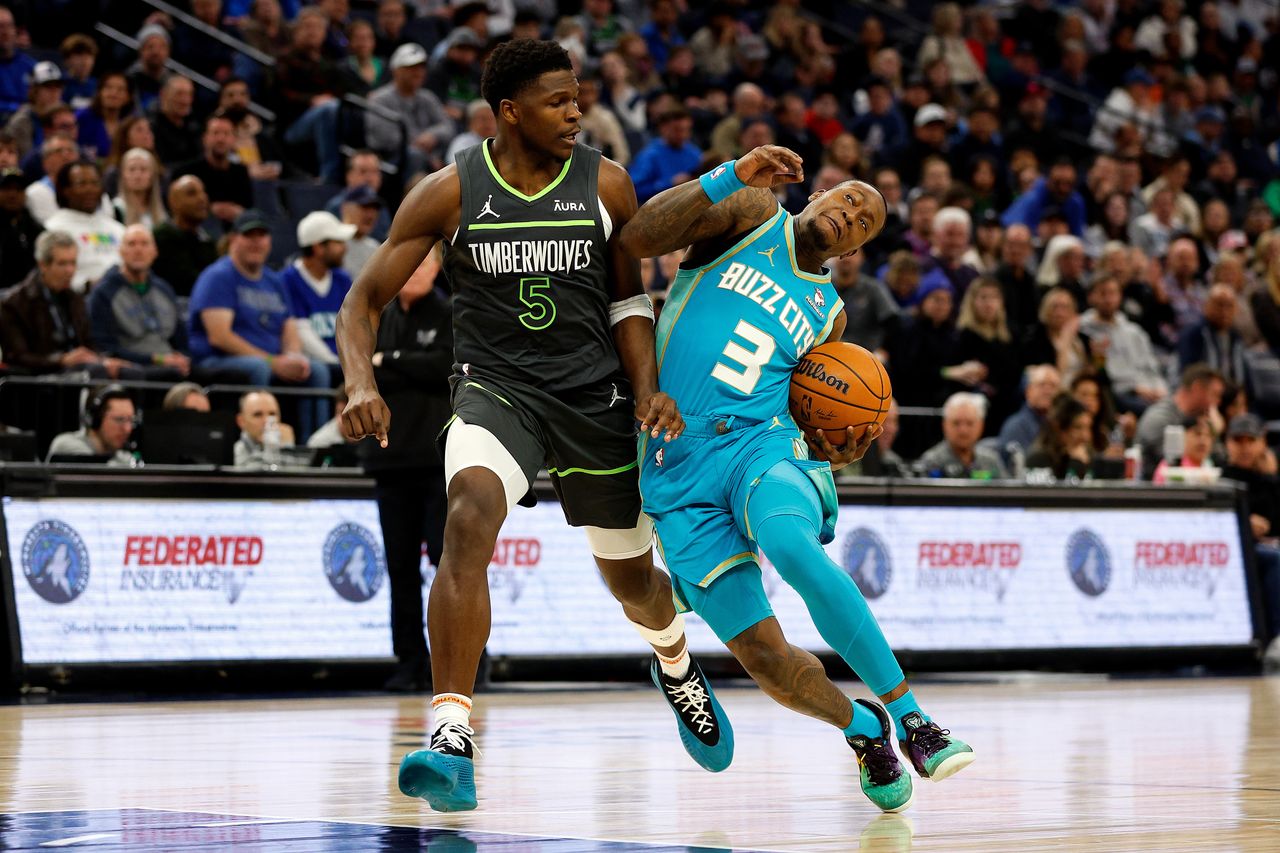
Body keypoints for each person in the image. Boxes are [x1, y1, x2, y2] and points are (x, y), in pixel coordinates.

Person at [335, 40, 731, 812]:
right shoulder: (448, 193)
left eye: (578, 97)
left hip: (594, 399)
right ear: (509, 110)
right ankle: (451, 734)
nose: (577, 111)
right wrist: (359, 378)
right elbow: (362, 301)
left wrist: (648, 389)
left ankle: (676, 661)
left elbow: (628, 304)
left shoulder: (608, 184)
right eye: (559, 100)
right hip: (496, 390)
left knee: (635, 585)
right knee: (467, 519)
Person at [620, 145, 974, 814]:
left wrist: (844, 432)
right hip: (676, 463)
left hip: (763, 445)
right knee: (766, 657)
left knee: (789, 543)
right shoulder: (752, 212)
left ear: (862, 246)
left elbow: (821, 406)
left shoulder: (830, 314)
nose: (850, 214)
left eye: (865, 219)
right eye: (846, 199)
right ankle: (865, 728)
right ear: (816, 197)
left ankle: (917, 718)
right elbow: (638, 236)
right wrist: (728, 176)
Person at [362, 250, 455, 692]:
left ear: (437, 267)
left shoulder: (451, 311)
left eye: (424, 263)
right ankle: (409, 661)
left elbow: (443, 368)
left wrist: (387, 362)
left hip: (438, 462)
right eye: (409, 264)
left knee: (449, 564)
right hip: (390, 461)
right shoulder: (380, 317)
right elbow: (364, 372)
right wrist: (396, 363)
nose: (415, 271)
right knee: (399, 569)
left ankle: (464, 661)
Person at [188, 210, 333, 439]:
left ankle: (316, 445)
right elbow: (220, 336)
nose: (256, 242)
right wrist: (272, 361)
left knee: (316, 371)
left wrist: (293, 356)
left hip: (269, 359)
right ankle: (260, 442)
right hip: (218, 359)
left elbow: (289, 327)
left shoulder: (273, 281)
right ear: (233, 239)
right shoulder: (218, 277)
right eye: (249, 236)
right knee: (258, 368)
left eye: (262, 235)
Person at [0, 231, 138, 378]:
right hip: (43, 375)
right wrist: (62, 360)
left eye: (73, 263)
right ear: (43, 265)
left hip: (81, 368)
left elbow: (88, 343)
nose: (70, 271)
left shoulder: (75, 299)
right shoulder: (14, 303)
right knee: (95, 373)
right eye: (62, 263)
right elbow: (16, 357)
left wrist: (104, 360)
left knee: (131, 372)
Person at [88, 225, 191, 381]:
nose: (138, 250)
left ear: (154, 251)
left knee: (224, 375)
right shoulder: (104, 293)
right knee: (172, 375)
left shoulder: (164, 289)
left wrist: (183, 358)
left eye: (144, 244)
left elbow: (181, 339)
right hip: (135, 367)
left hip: (171, 363)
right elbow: (107, 348)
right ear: (121, 251)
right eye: (131, 244)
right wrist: (157, 360)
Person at [365, 43, 456, 174]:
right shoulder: (379, 99)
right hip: (391, 160)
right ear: (396, 70)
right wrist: (421, 145)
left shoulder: (427, 97)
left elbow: (448, 126)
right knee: (414, 155)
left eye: (421, 68)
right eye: (411, 68)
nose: (418, 72)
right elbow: (386, 139)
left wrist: (431, 135)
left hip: (428, 154)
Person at [282, 210, 355, 366]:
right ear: (318, 248)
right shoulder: (288, 280)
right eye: (338, 242)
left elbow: (353, 326)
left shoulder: (342, 279)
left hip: (344, 362)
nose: (345, 248)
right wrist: (335, 363)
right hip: (314, 362)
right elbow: (301, 332)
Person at [44, 160, 125, 292]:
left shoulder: (118, 229)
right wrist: (88, 285)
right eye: (82, 184)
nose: (90, 190)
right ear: (66, 190)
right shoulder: (53, 229)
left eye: (95, 183)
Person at [1135, 363, 1225, 477]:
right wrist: (1213, 433)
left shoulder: (1201, 420)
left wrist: (1212, 432)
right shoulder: (1159, 417)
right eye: (1214, 394)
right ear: (1196, 388)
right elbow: (1172, 461)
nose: (1218, 402)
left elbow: (1219, 461)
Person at [172, 113, 254, 227]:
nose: (220, 139)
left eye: (226, 134)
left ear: (234, 139)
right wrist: (210, 209)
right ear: (204, 138)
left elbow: (249, 209)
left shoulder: (241, 172)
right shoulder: (185, 173)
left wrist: (238, 212)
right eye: (215, 133)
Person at [152, 175, 218, 298]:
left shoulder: (207, 240)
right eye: (192, 193)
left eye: (203, 192)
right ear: (173, 202)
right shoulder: (161, 237)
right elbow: (185, 282)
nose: (202, 198)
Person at [919, 392, 1009, 479]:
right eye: (956, 423)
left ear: (981, 425)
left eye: (970, 423)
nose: (963, 430)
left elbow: (1006, 493)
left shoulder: (991, 461)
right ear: (945, 425)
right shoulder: (931, 463)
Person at [46, 385, 137, 465]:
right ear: (95, 419)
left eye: (131, 420)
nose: (127, 429)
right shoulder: (67, 445)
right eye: (120, 420)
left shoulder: (124, 459)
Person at [996, 364, 1062, 463]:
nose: (1048, 391)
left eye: (1053, 386)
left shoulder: (1062, 425)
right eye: (1042, 384)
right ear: (1028, 391)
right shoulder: (1016, 426)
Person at [1025, 393, 1095, 480]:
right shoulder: (1037, 461)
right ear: (1059, 429)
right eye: (1077, 428)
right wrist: (1076, 464)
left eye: (1088, 428)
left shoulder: (1090, 457)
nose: (1086, 436)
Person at [232, 389, 299, 469]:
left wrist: (286, 449)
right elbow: (257, 479)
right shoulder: (233, 453)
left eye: (272, 414)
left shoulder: (286, 444)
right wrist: (273, 448)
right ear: (241, 421)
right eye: (258, 415)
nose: (267, 421)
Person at [0, 166, 40, 286]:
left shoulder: (34, 226)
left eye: (18, 189)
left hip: (28, 295)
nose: (12, 194)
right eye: (7, 189)